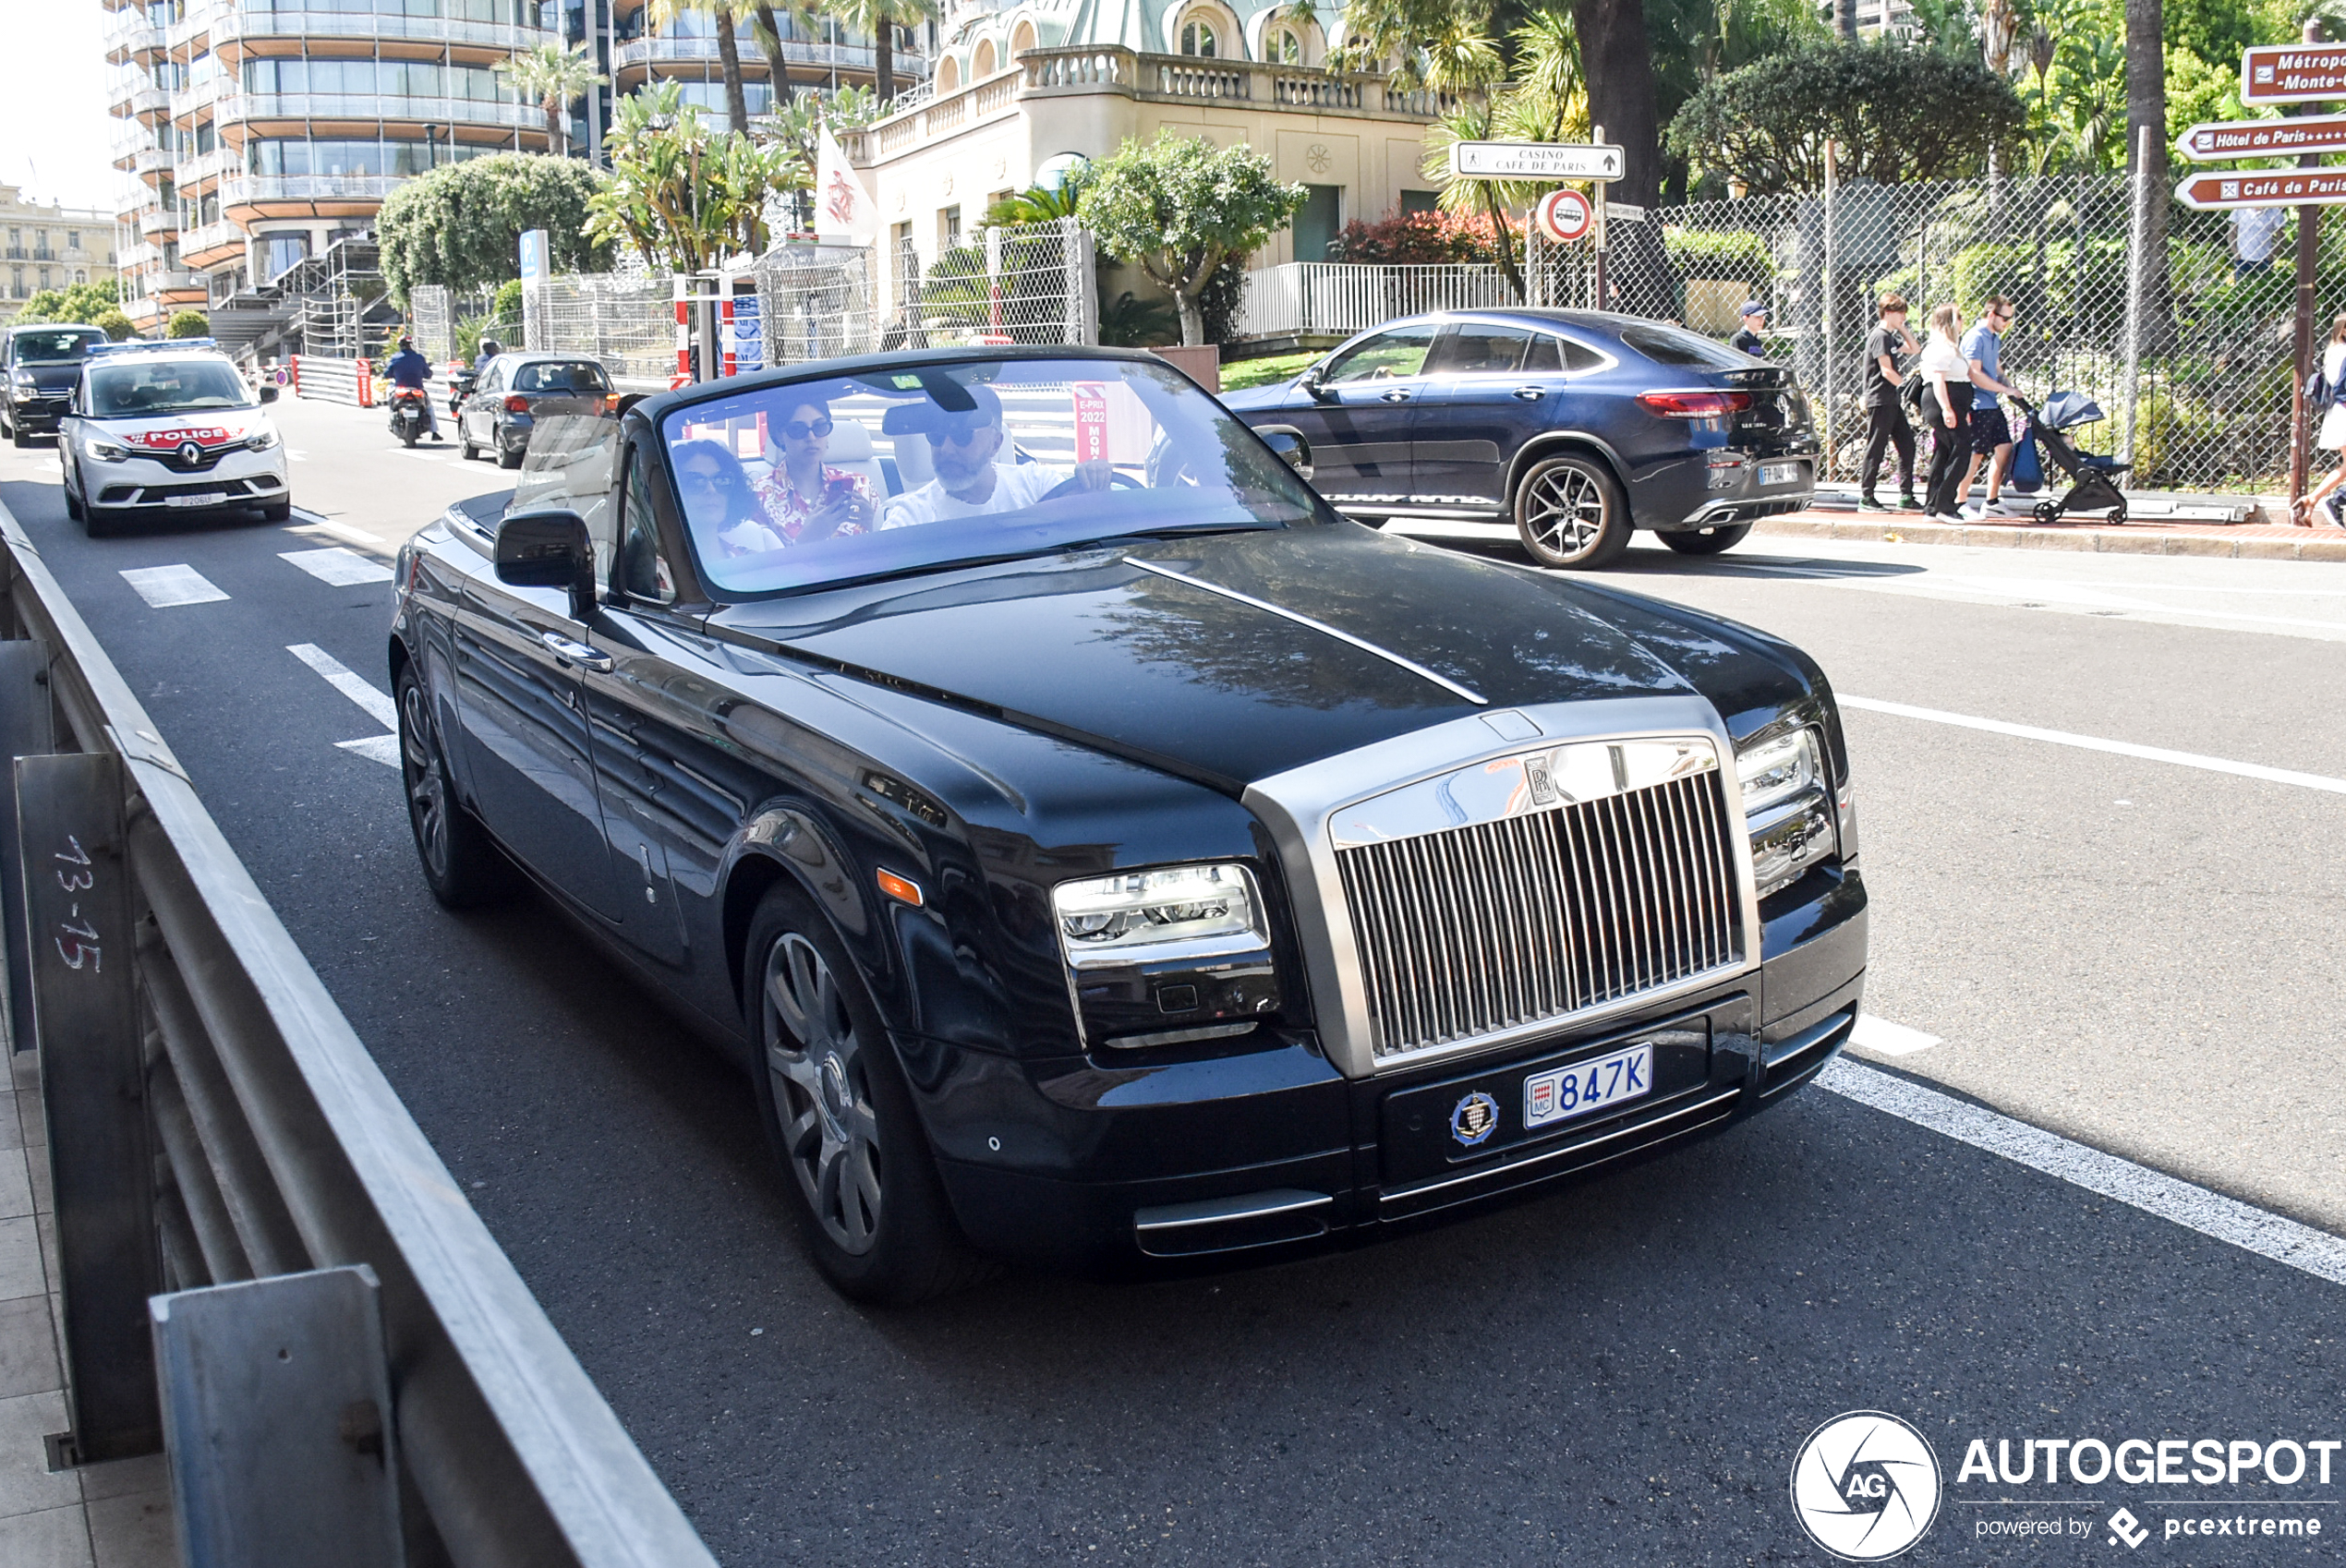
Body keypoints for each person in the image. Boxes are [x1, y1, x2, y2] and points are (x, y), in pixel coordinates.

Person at [881, 383, 1111, 529]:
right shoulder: (910, 517)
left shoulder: (1036, 485)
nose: (947, 449)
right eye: (937, 436)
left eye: (962, 435)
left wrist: (1095, 489)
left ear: (995, 444)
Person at [750, 397, 876, 545]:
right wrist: (805, 541)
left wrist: (874, 527)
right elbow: (762, 564)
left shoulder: (860, 485)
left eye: (820, 427)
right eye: (797, 430)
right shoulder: (759, 496)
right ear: (779, 435)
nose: (811, 437)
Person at [1957, 296, 2023, 514]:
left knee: (2004, 447)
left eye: (2010, 319)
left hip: (1991, 402)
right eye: (2005, 318)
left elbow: (1996, 368)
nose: (2007, 323)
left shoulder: (1994, 337)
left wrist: (2010, 388)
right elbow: (1973, 373)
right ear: (1991, 315)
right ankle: (1959, 501)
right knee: (1976, 453)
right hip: (1977, 403)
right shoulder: (1976, 337)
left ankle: (1992, 502)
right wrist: (2004, 390)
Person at [672, 439, 788, 559]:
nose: (711, 490)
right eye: (694, 481)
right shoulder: (658, 567)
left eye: (722, 480)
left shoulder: (752, 559)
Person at [1858, 295, 1920, 513]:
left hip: (1891, 401)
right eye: (1900, 312)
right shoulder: (1880, 336)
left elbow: (1915, 348)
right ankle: (1867, 496)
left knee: (1907, 445)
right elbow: (1886, 370)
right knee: (1876, 447)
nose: (1904, 316)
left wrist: (1902, 329)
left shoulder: (1890, 337)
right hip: (1880, 400)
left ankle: (1906, 494)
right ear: (1889, 312)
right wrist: (1906, 388)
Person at [1919, 303, 1973, 524]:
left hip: (1954, 403)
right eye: (1958, 317)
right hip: (1942, 401)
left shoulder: (1951, 347)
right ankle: (1945, 505)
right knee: (1962, 449)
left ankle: (1933, 506)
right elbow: (1938, 380)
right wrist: (1947, 408)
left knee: (1943, 452)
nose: (1961, 322)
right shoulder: (1941, 347)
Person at [2297, 315, 2346, 526]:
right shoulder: (2343, 353)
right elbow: (2341, 388)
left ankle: (2313, 499)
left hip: (2338, 411)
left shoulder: (2333, 352)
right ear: (2343, 330)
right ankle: (2331, 501)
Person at [383, 335, 441, 439]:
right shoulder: (419, 358)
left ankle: (392, 423)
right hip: (417, 388)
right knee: (429, 408)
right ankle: (434, 432)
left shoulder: (395, 358)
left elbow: (387, 374)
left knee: (391, 404)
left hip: (400, 389)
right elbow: (428, 374)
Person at [2232, 206, 2286, 282]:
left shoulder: (2274, 211)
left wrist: (2272, 254)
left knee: (2265, 287)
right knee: (2241, 287)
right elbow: (2231, 232)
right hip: (2243, 258)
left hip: (2265, 259)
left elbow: (2281, 235)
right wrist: (2235, 252)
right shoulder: (2240, 208)